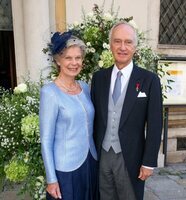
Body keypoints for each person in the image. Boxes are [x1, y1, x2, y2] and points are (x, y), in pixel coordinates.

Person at [91, 21, 163, 200]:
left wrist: (149, 162)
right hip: (102, 155)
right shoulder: (99, 78)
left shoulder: (149, 80)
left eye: (128, 42)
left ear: (135, 47)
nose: (122, 47)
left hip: (131, 157)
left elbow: (155, 124)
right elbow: (93, 120)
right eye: (117, 41)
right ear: (111, 45)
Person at [39, 31, 98, 200]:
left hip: (90, 161)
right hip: (65, 169)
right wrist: (51, 179)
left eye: (78, 58)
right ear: (58, 60)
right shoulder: (49, 93)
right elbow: (46, 139)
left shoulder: (85, 87)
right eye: (68, 58)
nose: (74, 63)